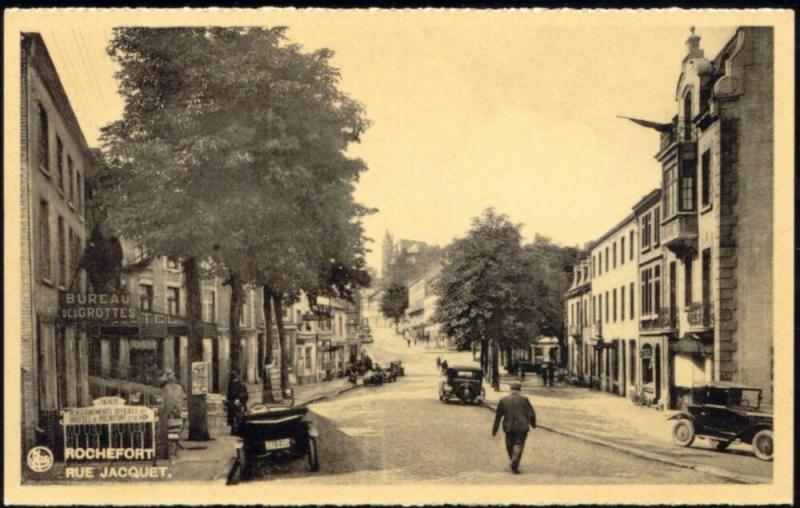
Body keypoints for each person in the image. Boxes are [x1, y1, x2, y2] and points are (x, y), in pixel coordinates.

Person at [492, 380, 537, 474]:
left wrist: (495, 429)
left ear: (510, 389)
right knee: (519, 444)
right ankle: (515, 461)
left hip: (509, 427)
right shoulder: (525, 399)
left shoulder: (503, 400)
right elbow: (531, 413)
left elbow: (498, 416)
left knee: (509, 445)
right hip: (522, 427)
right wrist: (533, 424)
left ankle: (514, 460)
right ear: (519, 389)